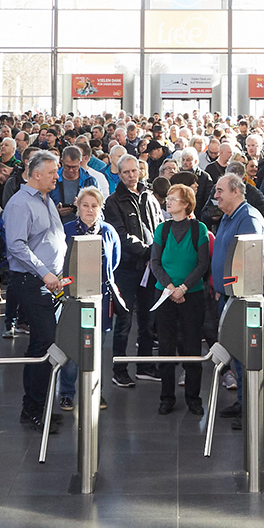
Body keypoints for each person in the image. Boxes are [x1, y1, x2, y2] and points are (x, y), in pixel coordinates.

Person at [4, 152, 71, 433]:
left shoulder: (45, 199)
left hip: (51, 282)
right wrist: (45, 272)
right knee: (42, 343)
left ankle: (40, 405)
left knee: (46, 343)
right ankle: (32, 408)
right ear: (36, 174)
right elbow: (17, 246)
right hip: (32, 281)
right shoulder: (20, 204)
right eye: (53, 172)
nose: (57, 176)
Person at [208, 171, 264, 426]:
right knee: (238, 354)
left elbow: (251, 265)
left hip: (242, 300)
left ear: (235, 191)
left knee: (246, 354)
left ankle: (250, 407)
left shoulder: (249, 219)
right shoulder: (229, 217)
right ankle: (243, 401)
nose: (215, 195)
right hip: (228, 295)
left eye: (220, 190)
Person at [57, 187, 120, 413]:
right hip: (73, 298)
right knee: (72, 346)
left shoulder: (109, 232)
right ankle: (67, 393)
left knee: (97, 347)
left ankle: (95, 390)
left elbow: (114, 262)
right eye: (85, 205)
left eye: (94, 206)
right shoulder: (66, 230)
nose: (89, 210)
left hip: (100, 299)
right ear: (78, 207)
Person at [150, 183, 210, 416]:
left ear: (186, 204)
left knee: (192, 346)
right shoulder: (161, 229)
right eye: (168, 198)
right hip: (164, 295)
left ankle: (193, 397)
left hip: (192, 296)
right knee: (165, 347)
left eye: (173, 199)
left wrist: (183, 288)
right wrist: (170, 287)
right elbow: (155, 262)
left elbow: (202, 263)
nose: (168, 202)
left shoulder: (199, 229)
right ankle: (167, 397)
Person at [103, 155, 159, 389]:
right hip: (127, 268)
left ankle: (145, 365)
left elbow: (158, 225)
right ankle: (120, 369)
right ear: (118, 173)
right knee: (124, 321)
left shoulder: (149, 196)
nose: (131, 175)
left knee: (148, 319)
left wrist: (156, 253)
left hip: (150, 267)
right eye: (126, 172)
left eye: (134, 170)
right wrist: (149, 252)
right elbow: (121, 235)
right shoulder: (113, 201)